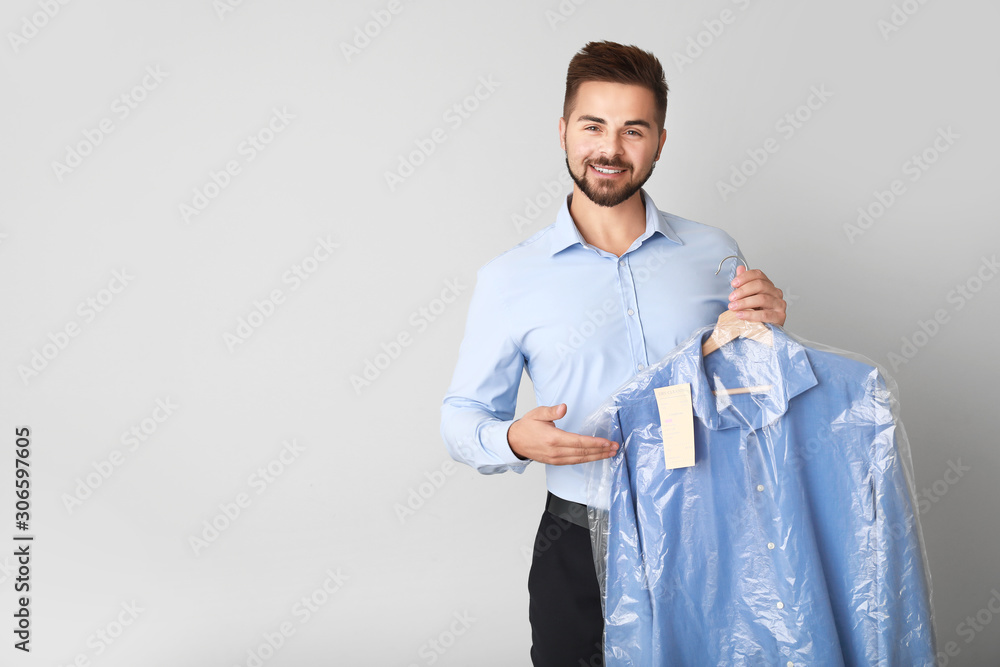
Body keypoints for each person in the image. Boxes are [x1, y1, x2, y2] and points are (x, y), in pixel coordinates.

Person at [440, 40, 787, 666]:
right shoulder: (510, 278)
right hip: (578, 538)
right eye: (593, 125)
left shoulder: (715, 252)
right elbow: (460, 416)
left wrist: (772, 333)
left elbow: (758, 396)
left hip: (710, 526)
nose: (610, 148)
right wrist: (515, 441)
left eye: (634, 130)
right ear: (564, 131)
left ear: (658, 141)